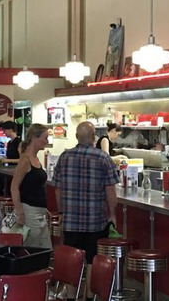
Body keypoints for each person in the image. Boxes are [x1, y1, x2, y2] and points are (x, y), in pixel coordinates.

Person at [54, 121, 119, 299]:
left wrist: (61, 212)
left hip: (70, 220)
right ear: (93, 137)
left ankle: (70, 297)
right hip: (95, 221)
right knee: (92, 259)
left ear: (76, 137)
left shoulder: (64, 157)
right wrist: (112, 214)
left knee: (71, 258)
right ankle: (89, 297)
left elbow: (57, 189)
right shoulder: (103, 158)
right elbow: (111, 191)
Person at [10, 124, 52, 249]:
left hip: (38, 211)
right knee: (36, 248)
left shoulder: (35, 159)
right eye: (45, 138)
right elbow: (14, 187)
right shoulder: (25, 160)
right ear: (34, 138)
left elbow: (35, 187)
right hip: (29, 211)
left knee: (44, 248)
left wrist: (44, 209)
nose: (47, 141)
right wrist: (20, 212)